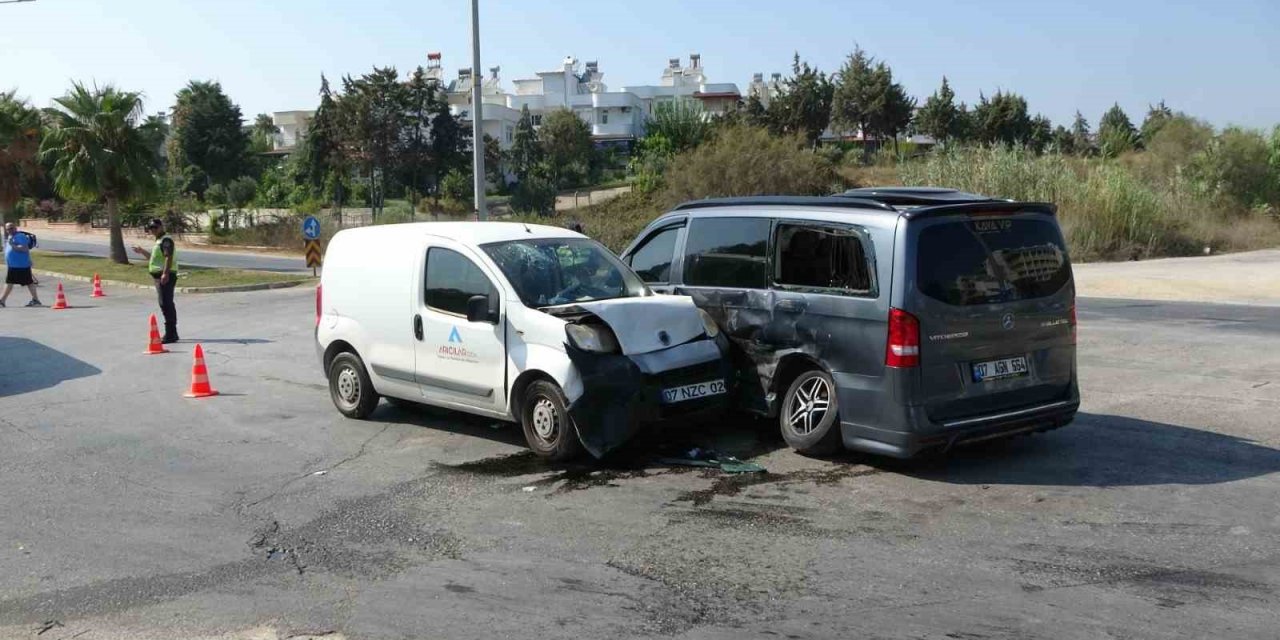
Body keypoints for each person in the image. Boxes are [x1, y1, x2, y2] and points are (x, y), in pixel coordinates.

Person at [132, 218, 179, 343]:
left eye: (155, 227)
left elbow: (168, 257)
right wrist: (141, 251)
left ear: (161, 227)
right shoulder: (158, 241)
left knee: (165, 303)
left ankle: (171, 333)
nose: (153, 230)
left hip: (165, 276)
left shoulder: (166, 240)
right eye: (151, 228)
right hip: (159, 276)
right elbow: (153, 258)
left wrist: (165, 274)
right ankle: (172, 332)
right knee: (165, 302)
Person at [1, 221, 41, 308]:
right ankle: (36, 300)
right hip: (16, 265)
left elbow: (24, 249)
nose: (9, 230)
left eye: (11, 228)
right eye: (7, 229)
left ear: (15, 228)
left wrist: (12, 245)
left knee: (9, 282)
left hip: (19, 265)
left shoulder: (20, 236)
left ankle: (2, 301)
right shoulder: (11, 236)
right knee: (28, 282)